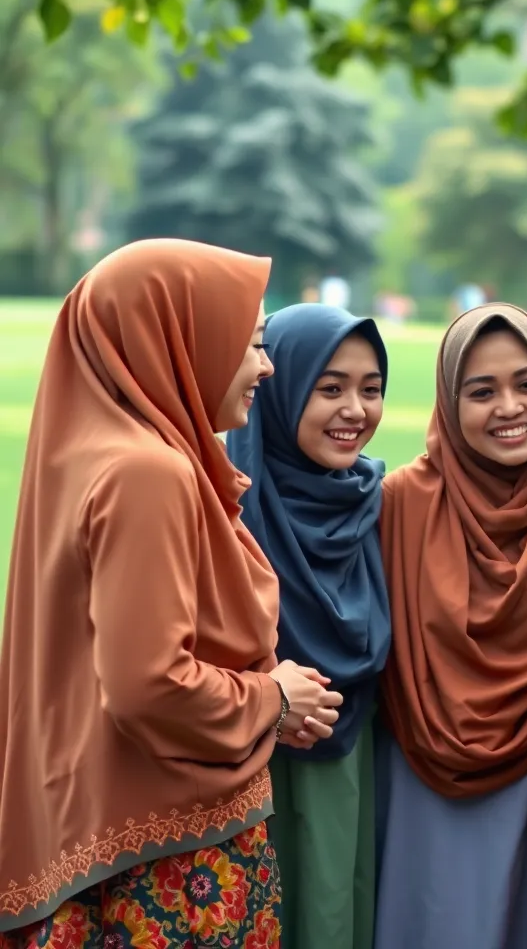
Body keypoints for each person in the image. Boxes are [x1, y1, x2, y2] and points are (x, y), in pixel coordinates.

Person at [0, 239, 341, 948]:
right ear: (181, 339)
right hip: (167, 873)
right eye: (249, 343)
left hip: (95, 840)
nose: (265, 367)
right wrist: (273, 698)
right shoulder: (147, 474)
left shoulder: (86, 455)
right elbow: (149, 685)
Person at [373, 304, 527, 949]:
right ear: (450, 405)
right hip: (414, 774)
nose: (509, 407)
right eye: (481, 392)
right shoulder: (399, 503)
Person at [227, 303, 391, 949]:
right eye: (330, 388)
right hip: (245, 774)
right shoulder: (225, 505)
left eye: (371, 389)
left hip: (347, 770)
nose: (355, 409)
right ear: (280, 385)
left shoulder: (374, 502)